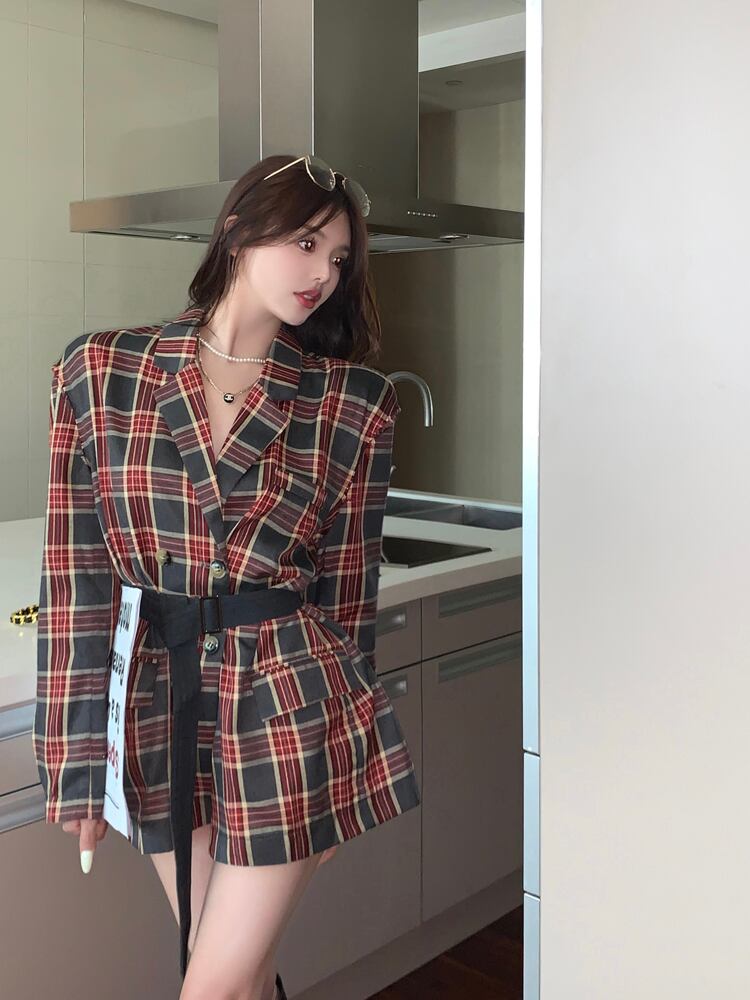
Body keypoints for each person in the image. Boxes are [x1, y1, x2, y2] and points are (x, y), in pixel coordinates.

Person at [33, 153, 421, 1000]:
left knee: (209, 987)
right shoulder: (100, 372)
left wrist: (346, 754)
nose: (324, 272)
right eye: (307, 242)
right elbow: (76, 583)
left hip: (290, 704)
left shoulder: (352, 402)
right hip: (157, 702)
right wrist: (75, 765)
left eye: (340, 258)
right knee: (236, 978)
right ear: (239, 230)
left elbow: (348, 596)